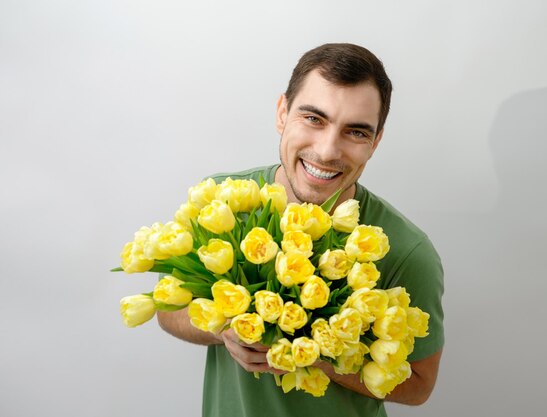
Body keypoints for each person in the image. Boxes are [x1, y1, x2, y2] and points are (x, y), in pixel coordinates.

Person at [157, 43, 444, 417]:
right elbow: (168, 308)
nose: (326, 151)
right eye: (313, 118)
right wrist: (222, 328)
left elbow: (420, 384)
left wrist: (319, 356)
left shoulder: (406, 250)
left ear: (375, 142)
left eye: (356, 132)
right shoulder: (220, 203)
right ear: (282, 112)